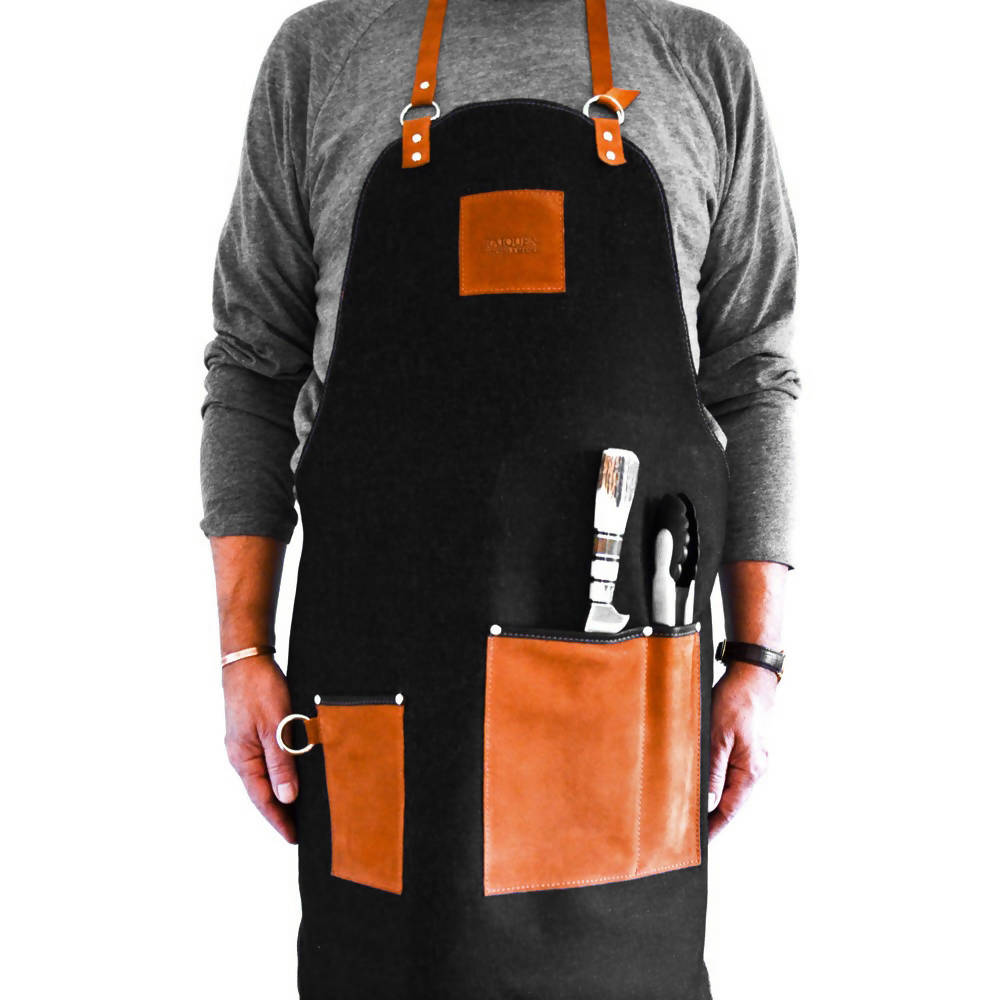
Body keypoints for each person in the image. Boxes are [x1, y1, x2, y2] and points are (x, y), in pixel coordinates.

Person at [201, 1, 799, 996]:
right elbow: (251, 373)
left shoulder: (702, 63)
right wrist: (240, 653)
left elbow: (757, 380)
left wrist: (758, 658)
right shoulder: (321, 55)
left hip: (622, 696)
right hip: (386, 683)